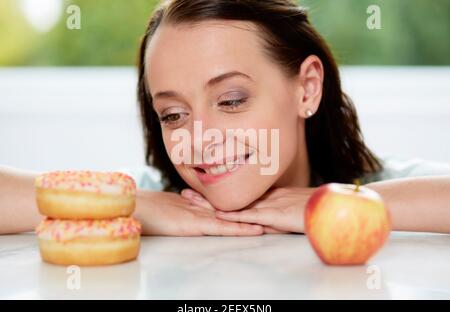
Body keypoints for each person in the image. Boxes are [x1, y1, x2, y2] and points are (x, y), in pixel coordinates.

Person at [1, 0, 449, 236]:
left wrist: (339, 209)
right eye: (173, 114)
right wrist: (134, 207)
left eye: (232, 101)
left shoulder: (375, 187)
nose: (200, 139)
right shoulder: (157, 197)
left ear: (307, 88)